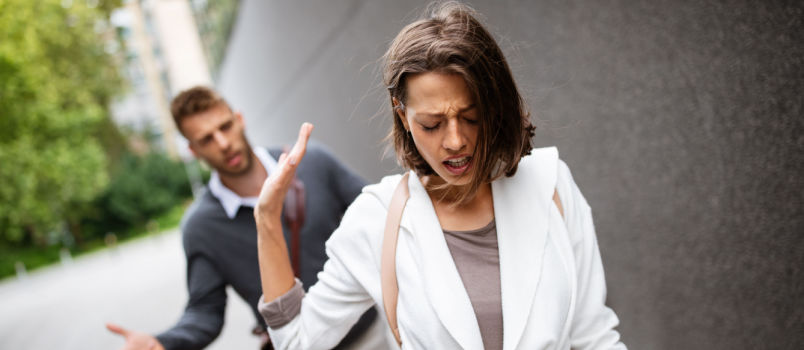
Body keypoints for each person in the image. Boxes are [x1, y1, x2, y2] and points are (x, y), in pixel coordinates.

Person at [254, 2, 627, 350]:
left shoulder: (551, 184)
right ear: (402, 115)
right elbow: (297, 341)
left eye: (471, 116)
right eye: (432, 124)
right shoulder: (377, 220)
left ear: (494, 104)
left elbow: (594, 336)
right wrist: (267, 220)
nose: (455, 140)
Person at [105, 86, 382, 350]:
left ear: (239, 119)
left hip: (373, 335)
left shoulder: (312, 162)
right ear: (193, 151)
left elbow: (379, 216)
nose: (223, 143)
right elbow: (205, 311)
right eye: (206, 139)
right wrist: (164, 343)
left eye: (225, 127)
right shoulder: (201, 227)